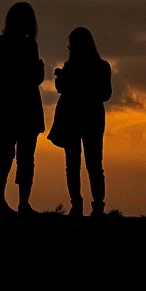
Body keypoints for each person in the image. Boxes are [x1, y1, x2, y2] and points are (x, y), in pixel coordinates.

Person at [0, 1, 45, 216]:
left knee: (5, 155)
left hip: (8, 108)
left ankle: (0, 201)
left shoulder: (1, 43)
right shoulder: (29, 45)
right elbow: (34, 78)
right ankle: (21, 203)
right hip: (25, 107)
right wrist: (39, 69)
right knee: (24, 157)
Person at [48, 27, 112, 219]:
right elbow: (62, 89)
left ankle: (91, 206)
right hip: (79, 119)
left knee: (85, 165)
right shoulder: (81, 67)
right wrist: (61, 79)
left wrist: (86, 87)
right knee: (84, 165)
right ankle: (86, 205)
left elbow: (105, 94)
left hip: (84, 118)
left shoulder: (100, 66)